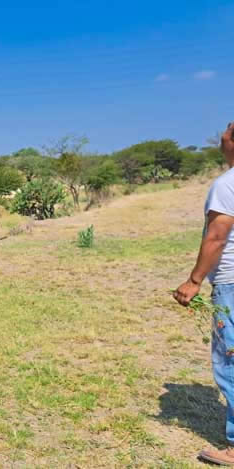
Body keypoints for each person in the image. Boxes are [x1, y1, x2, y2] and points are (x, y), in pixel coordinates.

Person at [174, 123, 234, 465]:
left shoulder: (227, 184)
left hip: (232, 284)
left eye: (228, 129)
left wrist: (194, 281)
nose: (222, 133)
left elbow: (216, 237)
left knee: (231, 362)